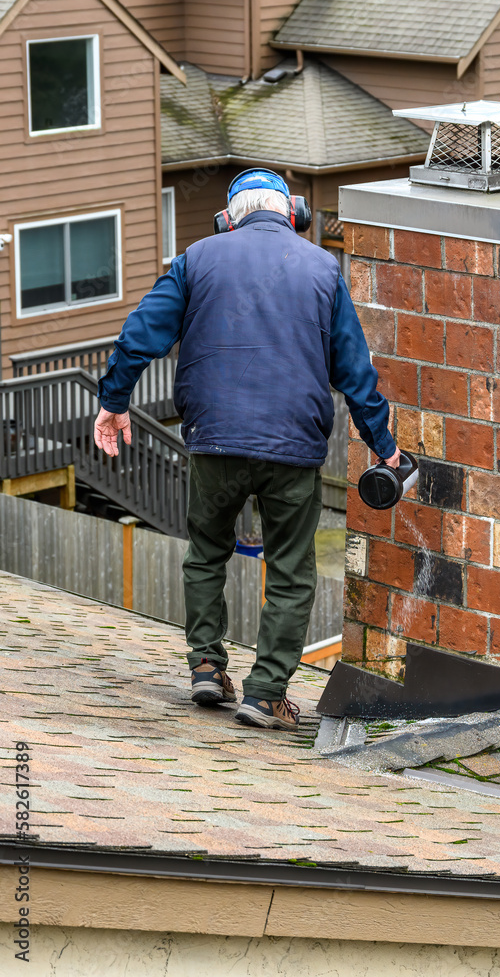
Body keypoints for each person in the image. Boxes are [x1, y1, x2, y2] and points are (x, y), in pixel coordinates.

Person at [94, 168, 399, 732]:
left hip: (214, 441)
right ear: (292, 214)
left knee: (206, 552)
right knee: (290, 572)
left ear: (228, 220)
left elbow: (139, 335)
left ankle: (207, 667)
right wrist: (384, 447)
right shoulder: (322, 268)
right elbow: (355, 373)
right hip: (293, 449)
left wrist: (114, 400)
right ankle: (264, 695)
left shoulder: (196, 258)